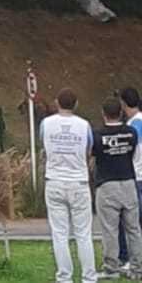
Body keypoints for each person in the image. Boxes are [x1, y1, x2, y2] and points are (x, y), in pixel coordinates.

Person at [41, 87, 97, 283]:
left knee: (59, 234)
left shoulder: (46, 124)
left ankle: (64, 277)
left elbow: (45, 147)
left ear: (57, 103)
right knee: (83, 234)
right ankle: (89, 277)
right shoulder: (84, 126)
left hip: (54, 180)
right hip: (78, 181)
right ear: (76, 104)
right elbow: (89, 151)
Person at [93, 97, 142, 280]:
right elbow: (133, 154)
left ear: (103, 113)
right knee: (134, 228)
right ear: (120, 112)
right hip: (128, 182)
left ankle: (111, 268)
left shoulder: (97, 134)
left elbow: (92, 155)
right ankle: (137, 269)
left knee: (110, 229)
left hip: (107, 184)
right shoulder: (131, 132)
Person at [119, 88, 142, 271]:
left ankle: (128, 258)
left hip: (135, 176)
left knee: (130, 222)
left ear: (124, 104)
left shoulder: (131, 126)